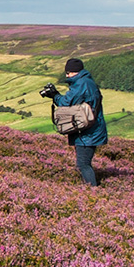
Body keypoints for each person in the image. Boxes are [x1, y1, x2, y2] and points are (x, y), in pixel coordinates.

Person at [43, 57, 107, 185]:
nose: (67, 75)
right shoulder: (86, 82)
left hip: (88, 132)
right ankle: (91, 189)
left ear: (75, 72)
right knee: (84, 162)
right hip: (91, 129)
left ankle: (93, 192)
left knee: (83, 164)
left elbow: (66, 102)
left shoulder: (81, 84)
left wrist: (54, 95)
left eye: (69, 73)